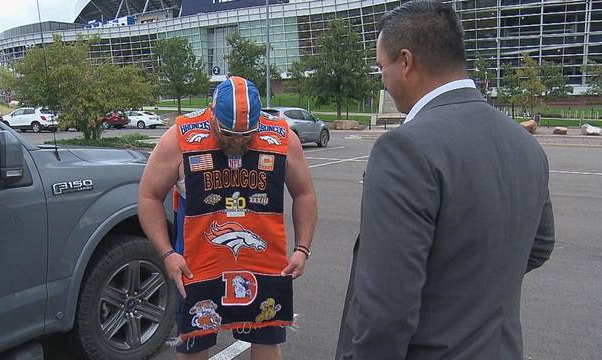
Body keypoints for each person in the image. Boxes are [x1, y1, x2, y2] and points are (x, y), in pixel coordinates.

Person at [336, 1, 555, 359]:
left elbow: (386, 308)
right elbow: (540, 244)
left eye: (381, 67)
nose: (383, 80)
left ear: (406, 62)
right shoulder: (523, 142)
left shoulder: (404, 147)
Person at [139, 76, 316, 360]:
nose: (238, 141)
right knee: (194, 343)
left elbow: (304, 193)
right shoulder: (180, 137)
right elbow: (148, 196)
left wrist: (302, 249)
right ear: (212, 113)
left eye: (247, 135)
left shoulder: (281, 137)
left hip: (263, 265)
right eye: (229, 133)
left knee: (267, 340)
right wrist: (167, 253)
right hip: (195, 266)